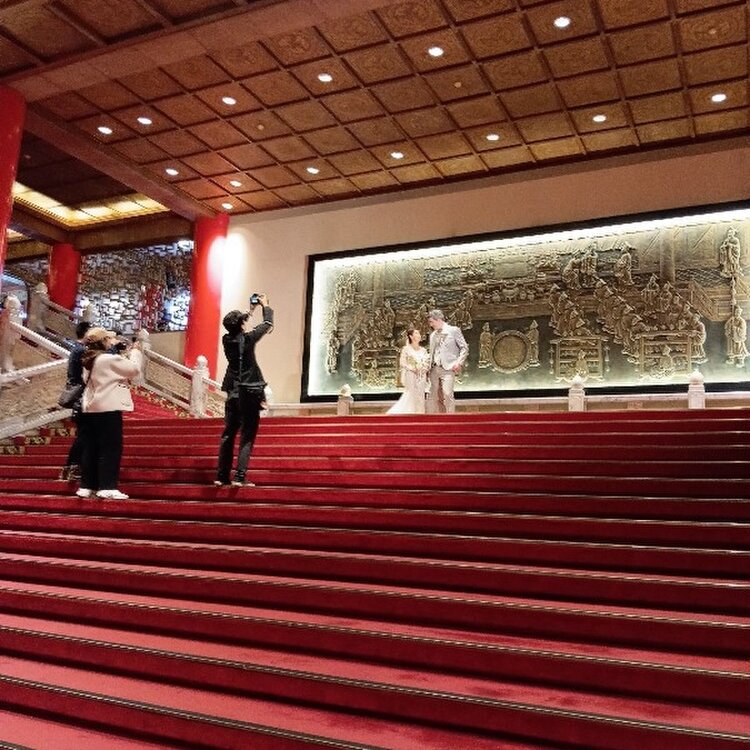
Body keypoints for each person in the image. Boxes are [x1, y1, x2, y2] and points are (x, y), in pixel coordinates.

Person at [215, 294, 274, 487]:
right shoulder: (248, 339)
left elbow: (237, 327)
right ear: (241, 325)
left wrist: (250, 311)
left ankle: (222, 476)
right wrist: (265, 306)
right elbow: (267, 323)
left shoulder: (226, 340)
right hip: (249, 392)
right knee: (247, 434)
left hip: (233, 392)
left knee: (228, 434)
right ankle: (240, 476)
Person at [77, 327, 139, 500]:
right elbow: (134, 370)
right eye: (109, 339)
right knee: (111, 447)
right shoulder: (107, 359)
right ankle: (107, 486)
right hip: (107, 407)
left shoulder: (89, 359)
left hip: (90, 407)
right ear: (103, 341)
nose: (112, 342)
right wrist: (135, 352)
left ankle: (87, 485)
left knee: (91, 447)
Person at [59, 321, 91, 481]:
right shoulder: (81, 350)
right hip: (82, 396)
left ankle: (69, 469)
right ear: (86, 333)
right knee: (84, 434)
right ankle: (73, 467)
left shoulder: (76, 349)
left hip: (79, 395)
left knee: (83, 434)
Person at [426, 309, 469, 414]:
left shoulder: (453, 330)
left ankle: (450, 417)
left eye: (432, 322)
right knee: (433, 395)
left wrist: (459, 362)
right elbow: (432, 352)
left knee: (447, 393)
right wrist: (428, 367)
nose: (431, 325)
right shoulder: (433, 335)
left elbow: (464, 347)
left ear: (438, 319)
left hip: (448, 367)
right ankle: (435, 418)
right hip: (434, 368)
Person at [388, 327, 429, 414]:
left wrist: (423, 368)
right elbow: (402, 362)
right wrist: (412, 368)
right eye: (416, 333)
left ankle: (420, 413)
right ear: (411, 336)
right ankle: (410, 413)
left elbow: (427, 362)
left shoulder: (423, 350)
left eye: (419, 333)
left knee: (420, 394)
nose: (419, 335)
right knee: (411, 393)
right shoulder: (406, 349)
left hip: (421, 374)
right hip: (410, 374)